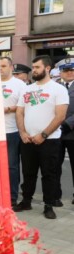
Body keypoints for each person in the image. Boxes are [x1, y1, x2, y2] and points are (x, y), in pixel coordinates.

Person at [13, 55, 69, 219]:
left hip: (49, 140)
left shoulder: (58, 89)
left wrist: (43, 135)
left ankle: (49, 205)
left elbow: (60, 116)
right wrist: (22, 132)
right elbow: (19, 112)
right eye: (34, 67)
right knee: (28, 173)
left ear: (47, 68)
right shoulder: (26, 89)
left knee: (49, 174)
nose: (34, 70)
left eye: (37, 67)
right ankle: (26, 200)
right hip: (27, 139)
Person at [0, 57, 27, 206]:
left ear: (11, 67)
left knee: (12, 166)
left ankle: (12, 197)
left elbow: (24, 106)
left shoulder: (19, 84)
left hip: (12, 130)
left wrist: (8, 109)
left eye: (3, 66)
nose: (0, 69)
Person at [57, 58, 74, 204]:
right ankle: (55, 196)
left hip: (71, 132)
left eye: (72, 70)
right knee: (54, 166)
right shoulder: (55, 86)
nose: (69, 73)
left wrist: (66, 124)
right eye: (66, 70)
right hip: (55, 133)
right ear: (60, 72)